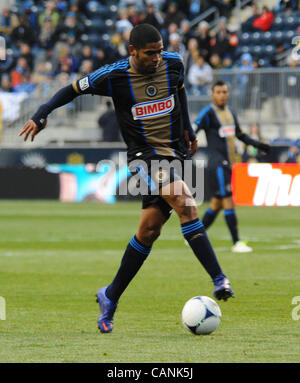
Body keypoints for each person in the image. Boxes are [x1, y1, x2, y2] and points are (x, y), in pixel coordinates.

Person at [19, 24, 234, 334]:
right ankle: (219, 278)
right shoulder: (113, 76)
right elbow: (72, 89)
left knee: (148, 231)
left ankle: (110, 295)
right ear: (132, 51)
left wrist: (187, 127)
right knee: (185, 203)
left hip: (173, 154)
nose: (157, 58)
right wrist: (42, 112)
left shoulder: (173, 63)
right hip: (144, 156)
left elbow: (181, 89)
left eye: (160, 51)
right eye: (150, 53)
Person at [193, 80, 270, 253]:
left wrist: (259, 145)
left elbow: (240, 135)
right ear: (212, 95)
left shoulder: (230, 113)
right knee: (228, 200)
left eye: (224, 92)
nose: (222, 95)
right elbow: (194, 128)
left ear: (228, 94)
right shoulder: (208, 113)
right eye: (218, 92)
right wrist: (187, 144)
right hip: (217, 163)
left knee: (216, 204)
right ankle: (237, 242)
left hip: (228, 163)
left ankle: (195, 236)